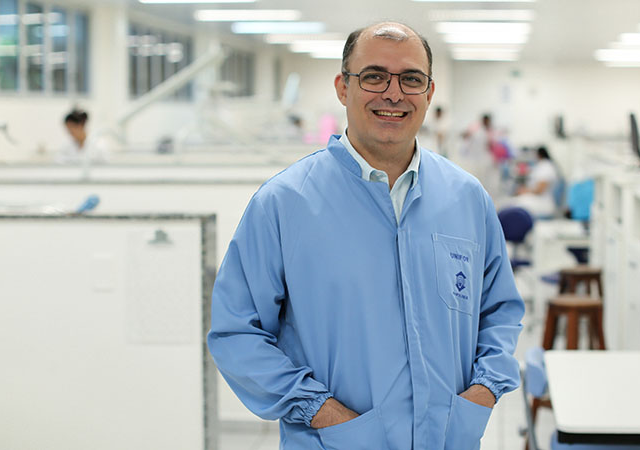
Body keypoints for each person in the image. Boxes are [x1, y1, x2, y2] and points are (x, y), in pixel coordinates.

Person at [207, 21, 524, 450]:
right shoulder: (284, 203)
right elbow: (236, 332)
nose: (393, 93)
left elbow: (500, 311)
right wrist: (322, 411)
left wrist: (481, 394)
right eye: (374, 76)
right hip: (335, 442)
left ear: (429, 93)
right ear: (343, 87)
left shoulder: (466, 198)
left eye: (411, 79)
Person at [511, 146, 560, 218]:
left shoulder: (546, 167)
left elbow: (540, 190)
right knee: (514, 202)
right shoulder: (542, 166)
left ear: (539, 154)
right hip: (539, 199)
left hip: (543, 203)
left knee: (515, 204)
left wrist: (524, 191)